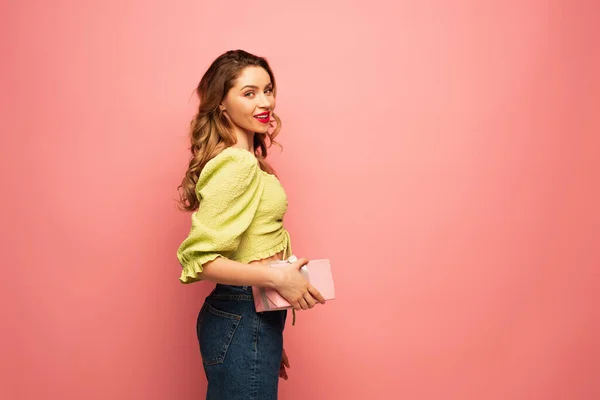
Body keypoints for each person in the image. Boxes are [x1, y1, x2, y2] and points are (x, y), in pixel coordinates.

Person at [176, 49, 326, 400]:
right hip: (242, 314)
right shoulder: (237, 164)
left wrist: (263, 336)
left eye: (268, 89)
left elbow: (252, 246)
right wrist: (277, 278)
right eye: (249, 93)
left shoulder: (250, 162)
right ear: (222, 104)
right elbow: (201, 260)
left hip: (249, 318)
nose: (265, 102)